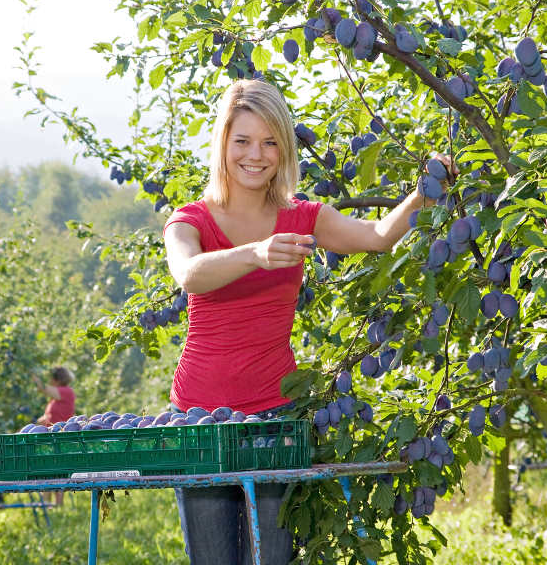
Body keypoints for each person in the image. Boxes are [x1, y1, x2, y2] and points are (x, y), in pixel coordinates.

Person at [162, 79, 454, 564]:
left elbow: (378, 236)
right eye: (243, 141)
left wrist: (427, 187)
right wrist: (255, 253)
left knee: (273, 559)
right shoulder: (190, 219)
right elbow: (189, 275)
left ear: (285, 149)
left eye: (270, 142)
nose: (256, 154)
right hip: (199, 416)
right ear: (222, 144)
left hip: (276, 414)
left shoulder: (302, 217)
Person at [32, 367, 76, 506]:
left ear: (57, 379)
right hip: (50, 437)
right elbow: (50, 416)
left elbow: (44, 389)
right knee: (48, 471)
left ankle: (57, 506)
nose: (49, 381)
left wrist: (33, 377)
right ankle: (48, 505)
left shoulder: (66, 392)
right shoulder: (55, 399)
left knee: (56, 472)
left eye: (51, 378)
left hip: (59, 437)